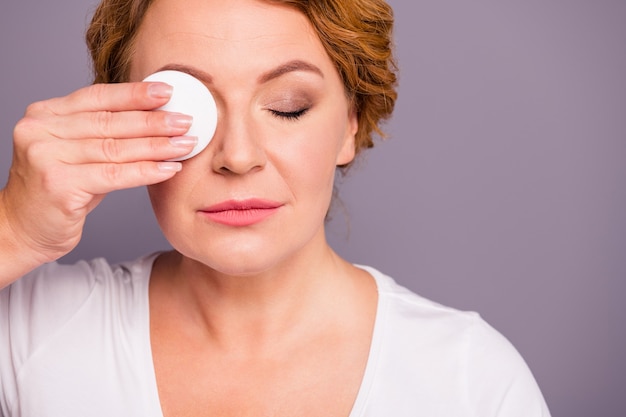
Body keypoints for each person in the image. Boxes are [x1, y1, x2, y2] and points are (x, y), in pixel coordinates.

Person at [0, 0, 551, 415]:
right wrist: (14, 235)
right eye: (190, 111)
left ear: (350, 125)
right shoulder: (29, 331)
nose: (237, 157)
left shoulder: (470, 381)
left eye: (288, 108)